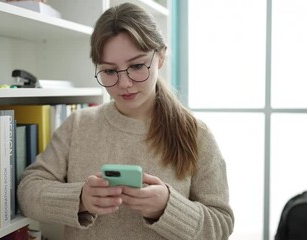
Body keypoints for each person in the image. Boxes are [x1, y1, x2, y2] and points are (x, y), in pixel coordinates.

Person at [17, 3, 234, 239]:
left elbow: (220, 226)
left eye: (137, 66)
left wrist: (167, 208)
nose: (124, 84)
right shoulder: (78, 125)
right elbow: (28, 191)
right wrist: (79, 198)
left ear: (160, 57)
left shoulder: (196, 134)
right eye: (110, 71)